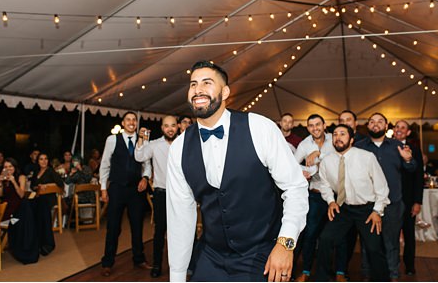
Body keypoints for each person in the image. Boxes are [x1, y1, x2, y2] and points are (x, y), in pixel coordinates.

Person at [165, 61, 310, 281]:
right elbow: (180, 218)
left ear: (225, 92)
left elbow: (295, 188)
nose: (198, 89)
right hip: (211, 254)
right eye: (193, 84)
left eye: (207, 82)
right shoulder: (179, 148)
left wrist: (286, 244)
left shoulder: (259, 128)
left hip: (262, 251)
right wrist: (177, 276)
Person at [311, 124, 391, 282]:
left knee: (374, 249)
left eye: (342, 134)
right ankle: (323, 279)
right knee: (325, 239)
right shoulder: (327, 161)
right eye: (335, 134)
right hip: (343, 208)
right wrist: (331, 201)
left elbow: (381, 187)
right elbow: (324, 184)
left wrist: (377, 211)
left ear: (352, 139)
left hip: (368, 210)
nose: (338, 137)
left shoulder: (367, 157)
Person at [354, 113, 421, 280]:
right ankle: (368, 275)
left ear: (386, 126)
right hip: (367, 205)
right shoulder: (359, 147)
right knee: (367, 244)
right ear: (368, 126)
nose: (376, 124)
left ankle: (392, 276)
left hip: (393, 204)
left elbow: (412, 169)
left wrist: (408, 160)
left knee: (391, 244)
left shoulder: (397, 146)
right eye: (372, 121)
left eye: (380, 122)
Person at [99, 111, 153, 276]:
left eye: (134, 120)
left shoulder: (142, 139)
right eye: (128, 120)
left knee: (137, 226)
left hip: (136, 190)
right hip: (117, 189)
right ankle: (107, 262)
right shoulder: (112, 139)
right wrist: (103, 187)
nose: (131, 122)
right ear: (123, 123)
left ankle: (139, 259)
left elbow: (147, 163)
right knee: (113, 227)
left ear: (136, 124)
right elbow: (105, 164)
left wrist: (145, 177)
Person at [134, 115, 180, 277]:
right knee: (159, 232)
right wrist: (141, 138)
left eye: (173, 125)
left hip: (181, 195)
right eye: (166, 126)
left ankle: (181, 267)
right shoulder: (154, 145)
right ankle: (157, 266)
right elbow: (139, 156)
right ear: (162, 128)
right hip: (162, 194)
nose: (170, 129)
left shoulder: (184, 143)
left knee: (180, 233)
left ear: (178, 127)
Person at [293, 114, 335, 281]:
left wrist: (319, 153)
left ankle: (336, 272)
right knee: (310, 234)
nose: (315, 128)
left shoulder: (334, 138)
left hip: (337, 195)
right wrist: (302, 171)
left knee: (334, 237)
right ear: (308, 128)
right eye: (311, 125)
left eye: (318, 124)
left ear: (324, 125)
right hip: (316, 195)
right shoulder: (304, 144)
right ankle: (306, 270)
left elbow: (340, 157)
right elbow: (294, 164)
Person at [27, 153, 62, 256]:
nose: (44, 161)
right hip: (38, 198)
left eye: (46, 159)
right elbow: (33, 186)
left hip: (48, 198)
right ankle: (36, 242)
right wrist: (38, 187)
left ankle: (47, 244)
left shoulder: (50, 171)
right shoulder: (37, 172)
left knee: (41, 211)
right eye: (41, 159)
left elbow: (60, 183)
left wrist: (48, 185)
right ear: (38, 161)